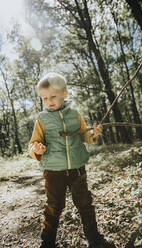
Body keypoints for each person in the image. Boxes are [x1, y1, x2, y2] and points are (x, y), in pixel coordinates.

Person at [29, 73, 116, 248]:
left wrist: (94, 133)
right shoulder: (42, 119)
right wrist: (37, 149)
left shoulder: (75, 114)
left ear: (65, 94)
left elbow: (86, 136)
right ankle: (47, 242)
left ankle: (94, 238)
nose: (49, 101)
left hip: (77, 168)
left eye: (53, 96)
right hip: (53, 171)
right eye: (44, 98)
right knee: (53, 206)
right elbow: (33, 143)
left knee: (85, 203)